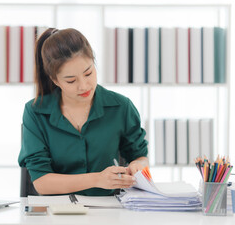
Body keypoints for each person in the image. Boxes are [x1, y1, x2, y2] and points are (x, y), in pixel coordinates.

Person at [18, 28, 148, 196]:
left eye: (88, 73)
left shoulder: (121, 107)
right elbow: (42, 183)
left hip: (107, 213)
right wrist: (97, 179)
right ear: (54, 80)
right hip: (56, 214)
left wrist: (138, 165)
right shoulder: (35, 112)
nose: (84, 86)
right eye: (71, 80)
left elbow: (139, 156)